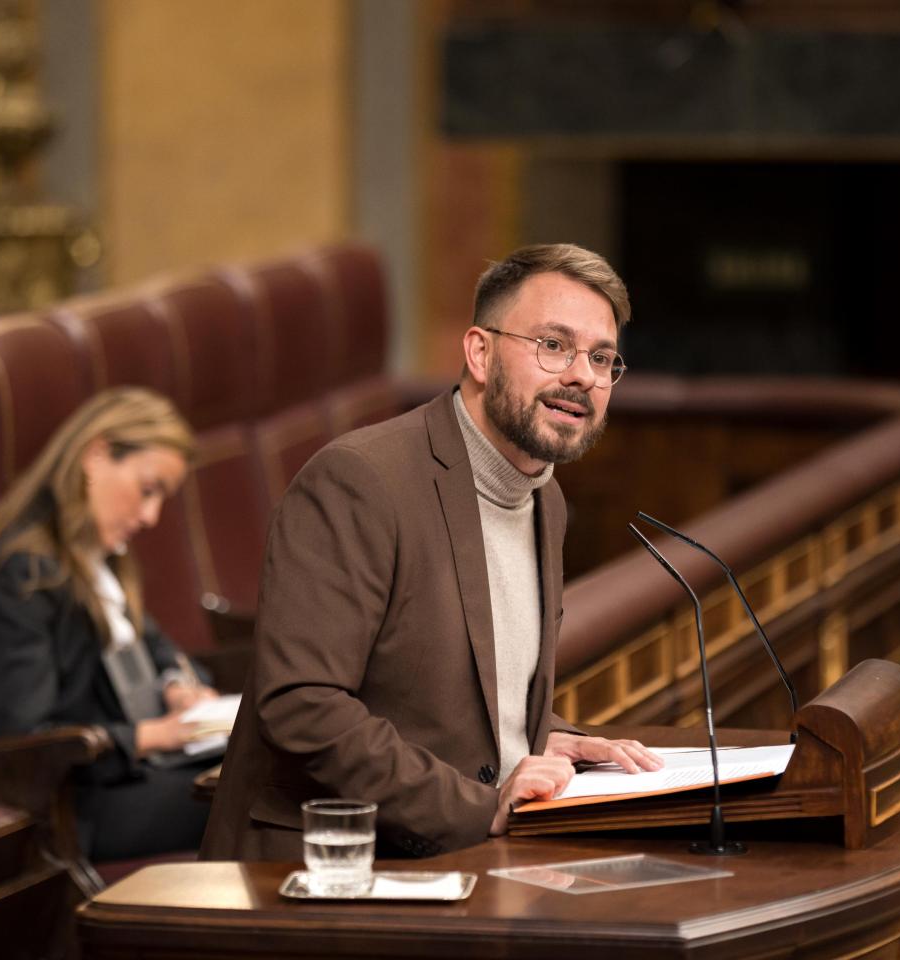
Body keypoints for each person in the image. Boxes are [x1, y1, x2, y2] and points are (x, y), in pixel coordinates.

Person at [203, 243, 663, 861]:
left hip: (462, 856)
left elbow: (434, 695)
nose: (582, 375)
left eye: (602, 357)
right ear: (480, 352)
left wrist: (541, 740)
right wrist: (484, 806)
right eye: (553, 345)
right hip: (332, 871)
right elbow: (301, 705)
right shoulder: (361, 480)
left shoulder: (544, 499)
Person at [0, 387, 219, 860]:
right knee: (254, 799)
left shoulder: (97, 555)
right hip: (75, 807)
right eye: (147, 489)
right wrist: (152, 735)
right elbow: (28, 736)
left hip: (132, 774)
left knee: (276, 771)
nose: (151, 516)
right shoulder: (21, 576)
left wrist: (178, 686)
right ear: (96, 456)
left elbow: (155, 646)